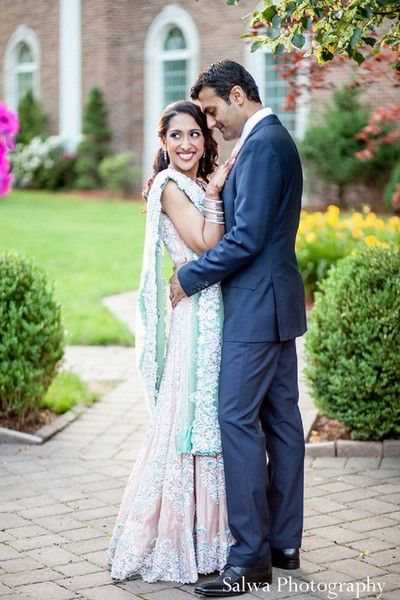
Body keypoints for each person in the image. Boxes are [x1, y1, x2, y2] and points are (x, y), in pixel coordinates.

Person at [169, 60, 307, 596]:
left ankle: (250, 557)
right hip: (274, 304)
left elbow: (247, 238)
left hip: (256, 307)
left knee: (236, 419)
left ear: (236, 95)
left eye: (210, 111)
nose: (208, 124)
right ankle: (283, 543)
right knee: (280, 421)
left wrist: (190, 276)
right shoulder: (265, 141)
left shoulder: (266, 144)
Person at [106, 100, 235, 584]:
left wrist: (213, 187)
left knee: (212, 417)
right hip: (193, 319)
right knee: (186, 417)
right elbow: (205, 243)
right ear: (163, 142)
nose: (186, 144)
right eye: (176, 135)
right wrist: (218, 190)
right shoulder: (171, 186)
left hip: (212, 311)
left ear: (206, 138)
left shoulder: (195, 184)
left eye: (194, 134)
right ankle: (177, 536)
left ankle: (212, 537)